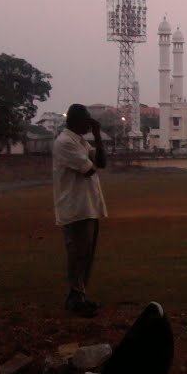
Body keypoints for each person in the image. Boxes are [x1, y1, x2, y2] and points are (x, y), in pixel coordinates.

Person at [52, 104, 107, 317]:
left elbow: (101, 161)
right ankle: (74, 298)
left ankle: (80, 296)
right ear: (75, 120)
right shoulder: (65, 142)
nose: (89, 122)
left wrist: (97, 136)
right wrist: (94, 137)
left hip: (87, 206)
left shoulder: (79, 141)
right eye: (87, 119)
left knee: (85, 255)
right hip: (75, 208)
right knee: (77, 254)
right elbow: (90, 169)